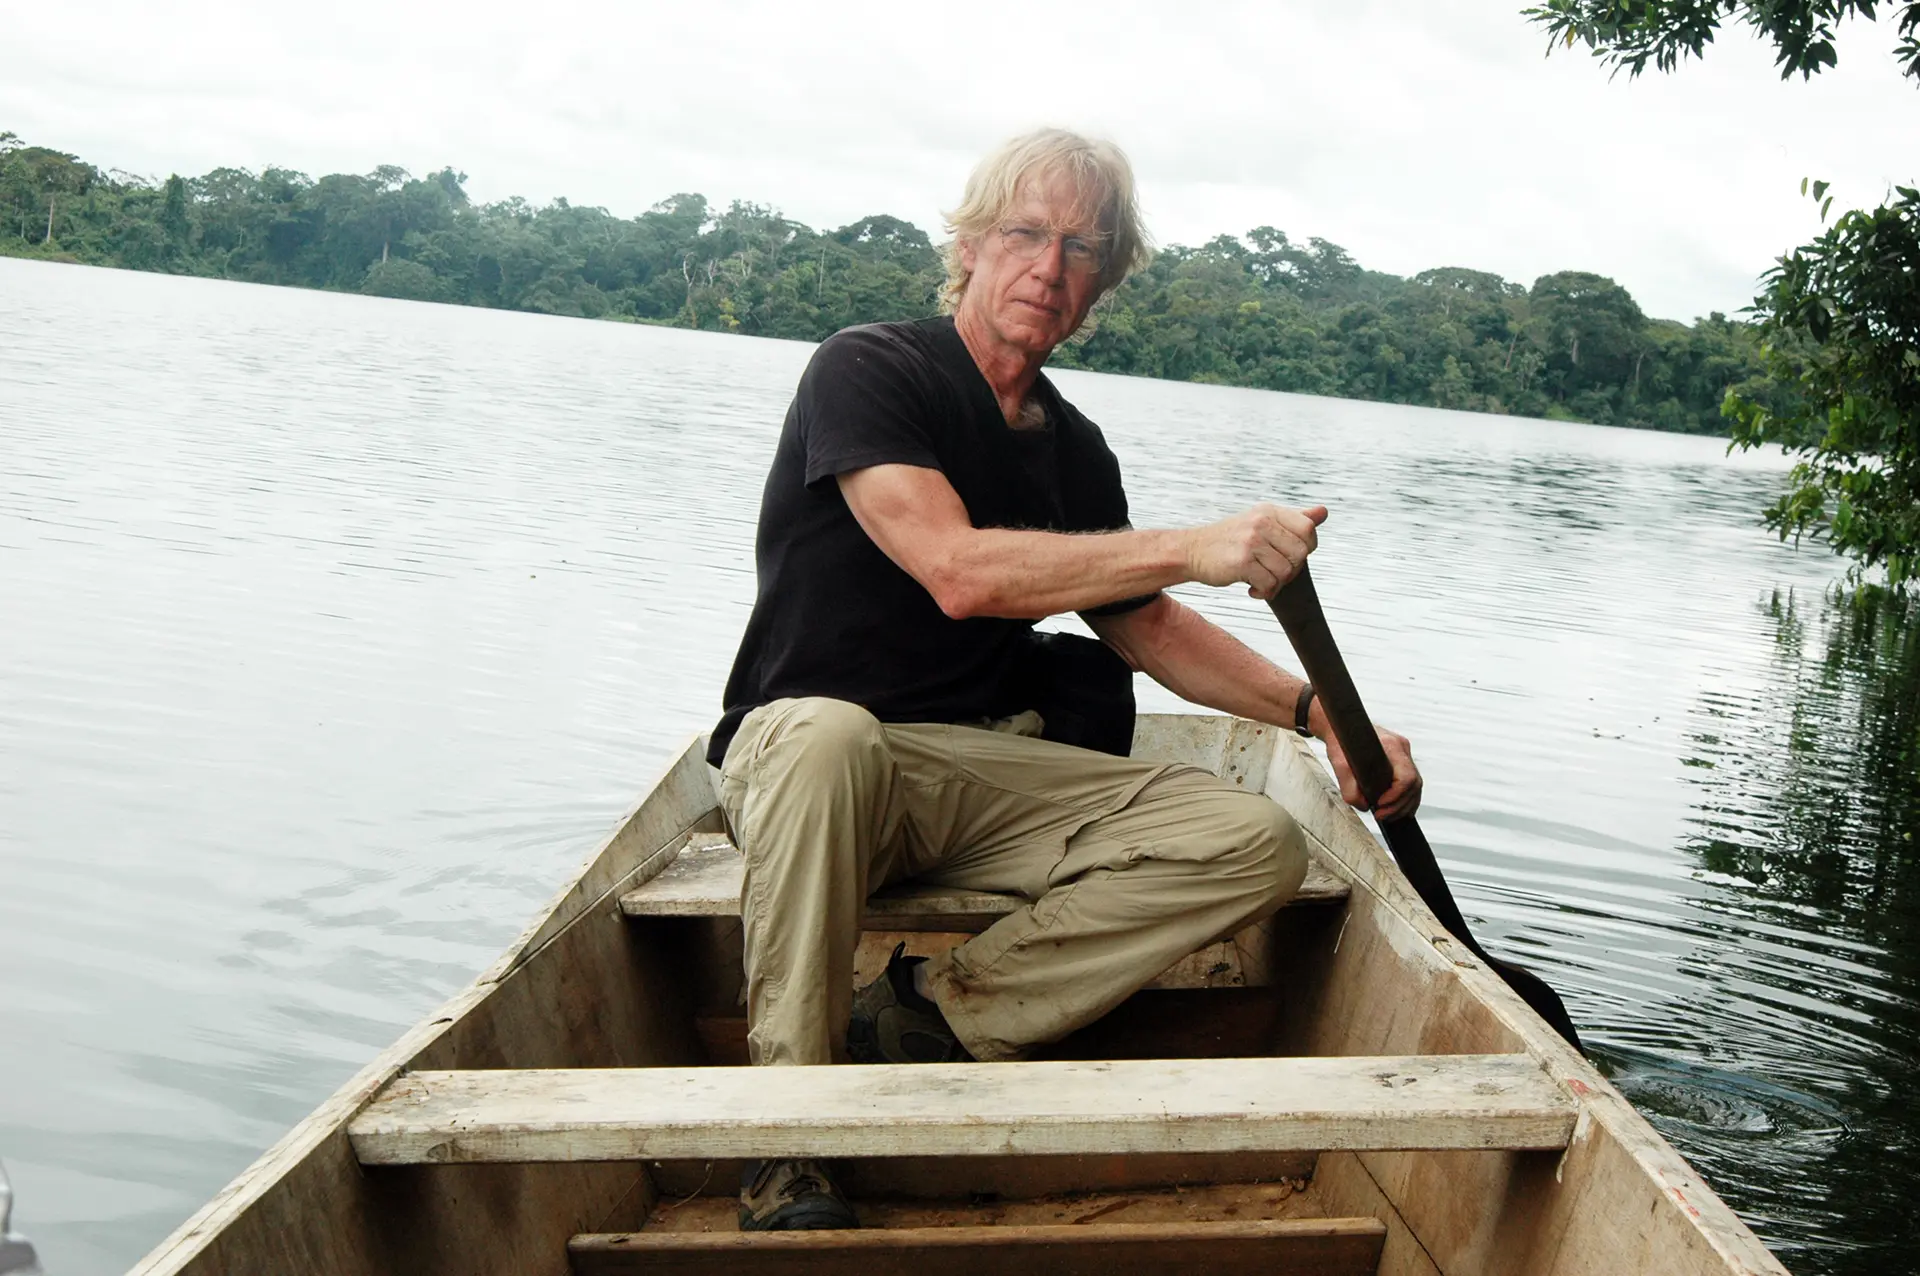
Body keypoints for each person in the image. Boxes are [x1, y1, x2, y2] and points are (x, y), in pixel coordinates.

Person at [709, 128, 1422, 1231]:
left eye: (1082, 248)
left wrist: (1320, 712)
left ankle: (932, 1015)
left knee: (1258, 840)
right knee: (829, 736)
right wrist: (1198, 542)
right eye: (1025, 233)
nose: (1049, 266)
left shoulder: (1075, 449)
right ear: (971, 244)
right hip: (804, 762)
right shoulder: (869, 369)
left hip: (979, 771)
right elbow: (958, 571)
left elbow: (1148, 628)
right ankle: (788, 1141)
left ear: (1105, 281)